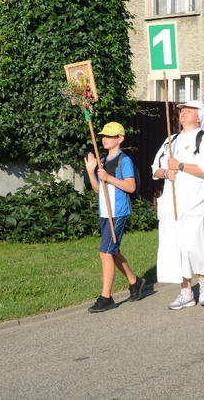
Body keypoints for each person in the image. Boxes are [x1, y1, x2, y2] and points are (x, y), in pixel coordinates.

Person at [151, 100, 204, 310]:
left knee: (195, 241)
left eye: (188, 110)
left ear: (199, 116)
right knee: (175, 244)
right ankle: (185, 292)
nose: (183, 113)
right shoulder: (171, 140)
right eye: (182, 110)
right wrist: (166, 172)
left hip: (197, 199)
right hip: (173, 200)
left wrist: (181, 165)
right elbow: (155, 168)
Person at [84, 122, 145, 313]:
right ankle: (135, 282)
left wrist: (108, 177)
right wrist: (91, 172)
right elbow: (98, 189)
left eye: (110, 136)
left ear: (120, 138)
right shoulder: (102, 161)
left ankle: (106, 297)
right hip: (105, 212)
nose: (105, 138)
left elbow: (131, 186)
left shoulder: (124, 160)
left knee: (105, 252)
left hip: (118, 212)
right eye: (103, 135)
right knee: (113, 251)